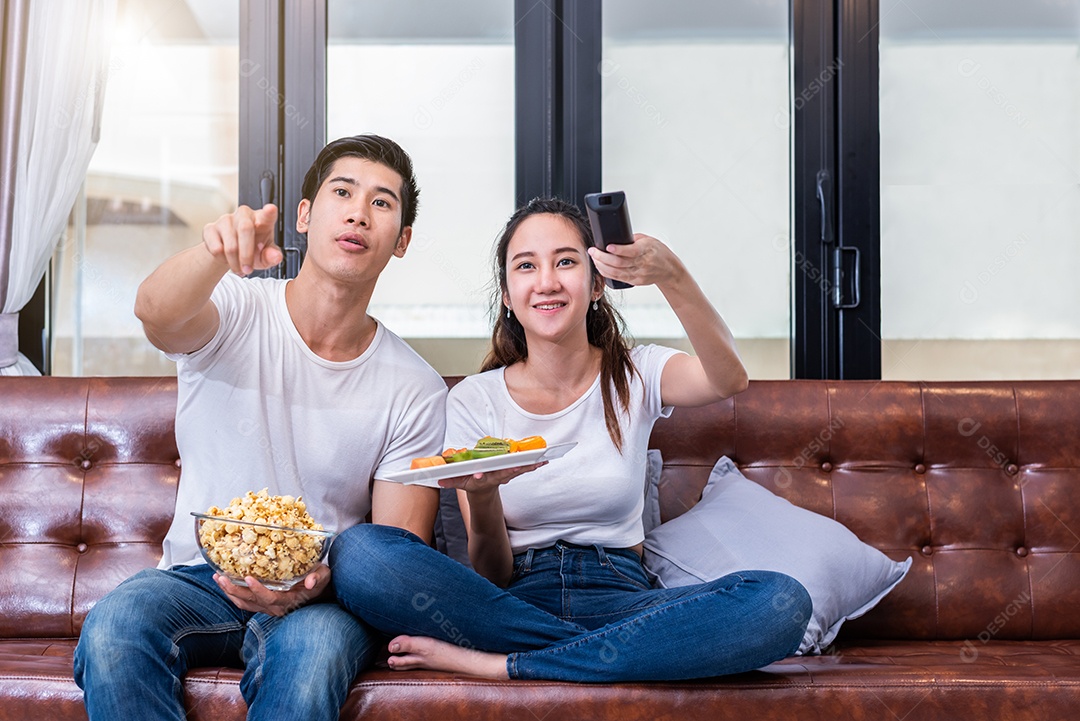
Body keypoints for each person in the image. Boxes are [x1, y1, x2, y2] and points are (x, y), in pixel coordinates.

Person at [329, 197, 811, 682]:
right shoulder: (475, 399)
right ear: (506, 294)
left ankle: (505, 666)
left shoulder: (636, 373)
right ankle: (598, 659)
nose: (547, 281)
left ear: (597, 283)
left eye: (565, 261)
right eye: (526, 266)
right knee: (361, 553)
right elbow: (492, 572)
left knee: (782, 600)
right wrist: (484, 492)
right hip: (509, 606)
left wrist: (672, 275)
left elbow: (728, 378)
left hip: (624, 605)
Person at [73, 135, 447, 719]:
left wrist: (314, 583)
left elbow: (398, 552)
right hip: (199, 579)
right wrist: (212, 254)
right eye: (342, 192)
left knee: (314, 656)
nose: (356, 212)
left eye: (381, 203)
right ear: (304, 214)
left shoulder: (414, 387)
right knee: (116, 625)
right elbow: (155, 313)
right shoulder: (240, 310)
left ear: (400, 242)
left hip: (319, 596)